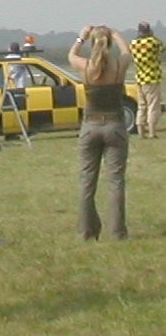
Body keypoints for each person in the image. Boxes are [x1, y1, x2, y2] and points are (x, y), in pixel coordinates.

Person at [66, 25, 132, 240]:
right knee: (116, 182)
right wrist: (116, 35)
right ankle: (118, 232)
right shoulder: (119, 66)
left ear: (93, 43)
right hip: (115, 125)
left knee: (87, 181)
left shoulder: (86, 67)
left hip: (90, 127)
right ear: (109, 43)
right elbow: (127, 52)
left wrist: (81, 38)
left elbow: (71, 55)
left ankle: (87, 231)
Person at [129, 22, 164, 139]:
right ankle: (152, 132)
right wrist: (153, 36)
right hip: (152, 78)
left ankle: (141, 132)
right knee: (153, 106)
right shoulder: (153, 42)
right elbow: (163, 48)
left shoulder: (133, 44)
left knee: (141, 106)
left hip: (140, 78)